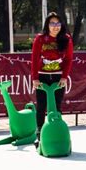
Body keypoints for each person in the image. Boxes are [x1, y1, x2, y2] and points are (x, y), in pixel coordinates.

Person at [31, 12, 73, 145]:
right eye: (52, 23)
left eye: (58, 23)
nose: (55, 26)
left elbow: (68, 60)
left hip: (58, 77)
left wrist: (64, 77)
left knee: (57, 106)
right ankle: (39, 135)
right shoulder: (40, 39)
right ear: (47, 25)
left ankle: (56, 133)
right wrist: (35, 78)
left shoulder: (66, 39)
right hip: (42, 77)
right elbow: (34, 58)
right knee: (41, 106)